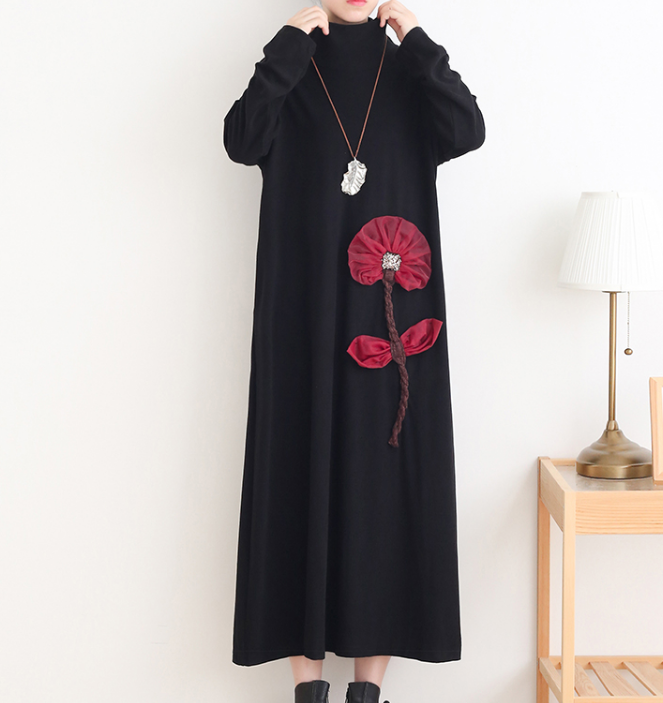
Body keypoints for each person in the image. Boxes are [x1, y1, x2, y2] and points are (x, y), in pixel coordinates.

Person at [223, 1, 485, 702]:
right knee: (296, 470)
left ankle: (369, 691)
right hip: (301, 318)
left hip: (389, 321)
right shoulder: (291, 71)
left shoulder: (409, 74)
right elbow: (242, 140)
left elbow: (467, 128)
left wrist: (416, 38)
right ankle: (306, 688)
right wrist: (287, 44)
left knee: (383, 486)